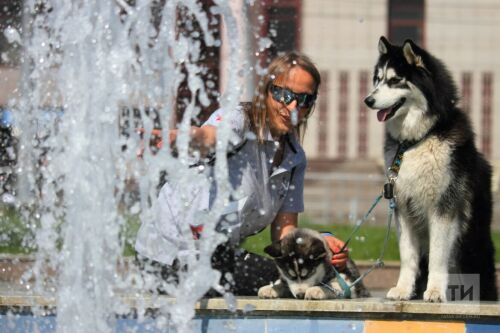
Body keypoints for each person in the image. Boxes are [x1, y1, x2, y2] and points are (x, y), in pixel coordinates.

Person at [135, 51, 349, 295]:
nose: (291, 107)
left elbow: (284, 235)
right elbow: (209, 137)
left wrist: (320, 243)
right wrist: (177, 138)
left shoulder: (294, 158)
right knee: (274, 287)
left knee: (290, 282)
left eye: (303, 100)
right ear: (265, 91)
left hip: (215, 255)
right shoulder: (240, 121)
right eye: (284, 94)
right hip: (167, 257)